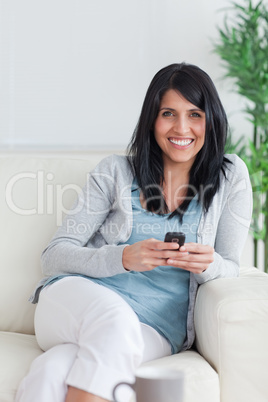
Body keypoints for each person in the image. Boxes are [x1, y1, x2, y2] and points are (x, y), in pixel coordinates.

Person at [16, 62, 252, 402]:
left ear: (211, 119)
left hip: (153, 328)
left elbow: (231, 266)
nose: (182, 127)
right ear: (152, 120)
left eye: (195, 114)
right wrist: (122, 257)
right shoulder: (115, 171)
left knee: (53, 371)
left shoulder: (231, 177)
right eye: (168, 113)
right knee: (114, 322)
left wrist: (207, 263)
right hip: (75, 302)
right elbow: (53, 256)